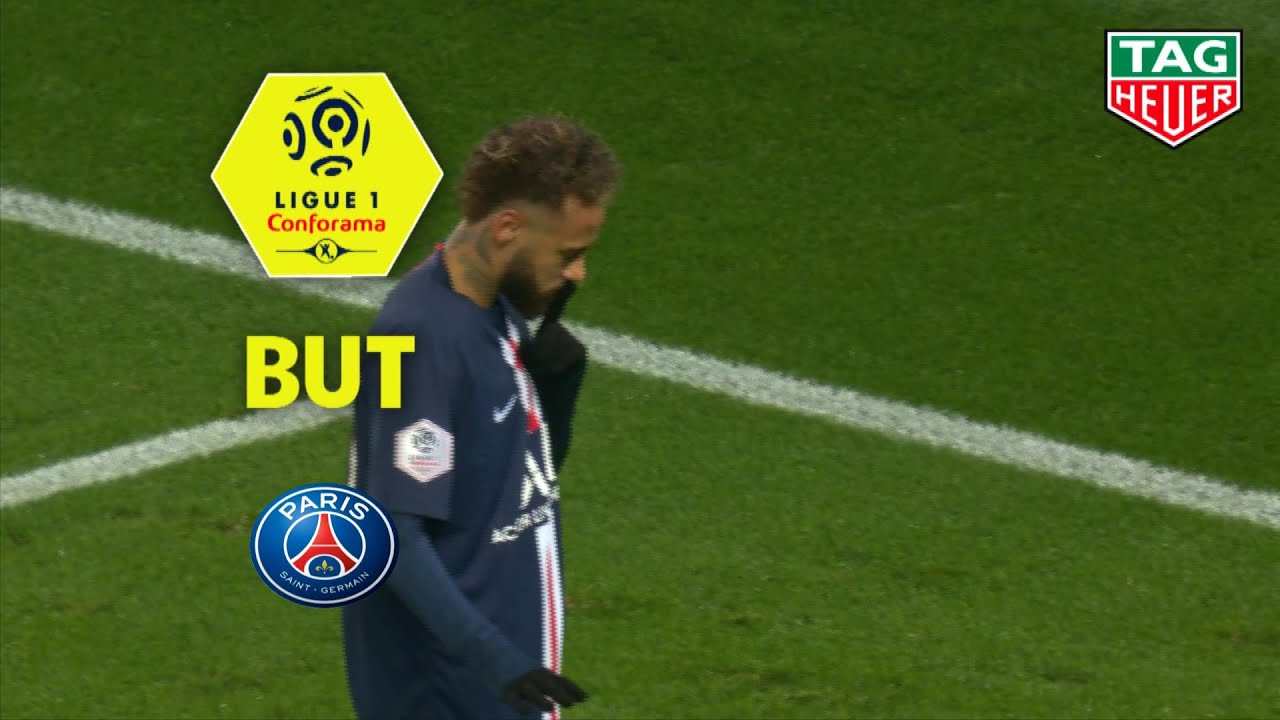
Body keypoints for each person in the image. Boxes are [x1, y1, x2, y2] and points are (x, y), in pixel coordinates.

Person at [342, 115, 621, 719]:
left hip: (503, 667)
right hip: (453, 684)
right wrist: (495, 660)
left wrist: (556, 392)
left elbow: (512, 485)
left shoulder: (495, 305)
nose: (578, 273)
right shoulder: (423, 341)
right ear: (508, 228)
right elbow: (391, 536)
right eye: (568, 254)